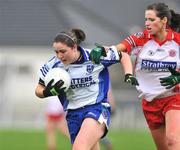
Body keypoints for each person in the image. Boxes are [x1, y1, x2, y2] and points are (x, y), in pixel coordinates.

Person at [89, 2, 180, 150]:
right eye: (146, 20)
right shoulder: (140, 38)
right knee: (164, 147)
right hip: (149, 102)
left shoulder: (177, 40)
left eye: (151, 20)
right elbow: (117, 49)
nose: (147, 23)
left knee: (173, 141)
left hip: (174, 97)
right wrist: (103, 51)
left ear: (164, 21)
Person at [35, 28, 138, 150]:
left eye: (63, 51)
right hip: (72, 114)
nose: (59, 56)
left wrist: (128, 74)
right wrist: (47, 92)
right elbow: (38, 89)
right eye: (56, 52)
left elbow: (123, 55)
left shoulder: (94, 56)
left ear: (74, 47)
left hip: (97, 108)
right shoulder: (53, 65)